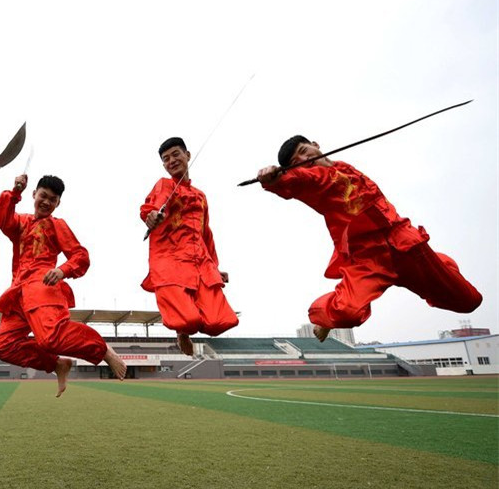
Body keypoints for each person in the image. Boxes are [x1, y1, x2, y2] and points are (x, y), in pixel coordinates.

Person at [256, 135, 482, 341]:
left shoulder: (345, 167)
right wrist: (272, 179)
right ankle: (325, 319)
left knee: (470, 301)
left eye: (305, 151)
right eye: (298, 160)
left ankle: (440, 262)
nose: (306, 159)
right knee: (346, 313)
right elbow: (291, 182)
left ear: (316, 145)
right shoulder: (312, 179)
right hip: (368, 258)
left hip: (406, 245)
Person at [0, 174, 127, 397]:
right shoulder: (22, 222)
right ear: (34, 194)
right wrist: (15, 192)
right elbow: (2, 219)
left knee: (50, 338)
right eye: (43, 196)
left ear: (58, 204)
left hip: (42, 286)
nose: (46, 202)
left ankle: (102, 349)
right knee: (3, 346)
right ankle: (56, 365)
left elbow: (80, 256)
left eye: (52, 200)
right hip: (17, 293)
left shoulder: (56, 225)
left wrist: (62, 270)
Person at [141, 137, 239, 356]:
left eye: (176, 154)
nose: (171, 161)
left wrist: (214, 266)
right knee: (188, 320)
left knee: (220, 322)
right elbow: (153, 205)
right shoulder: (164, 185)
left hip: (200, 262)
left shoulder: (200, 196)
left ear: (187, 155)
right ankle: (182, 332)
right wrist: (151, 216)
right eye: (166, 159)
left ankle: (186, 327)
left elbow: (206, 234)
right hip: (171, 260)